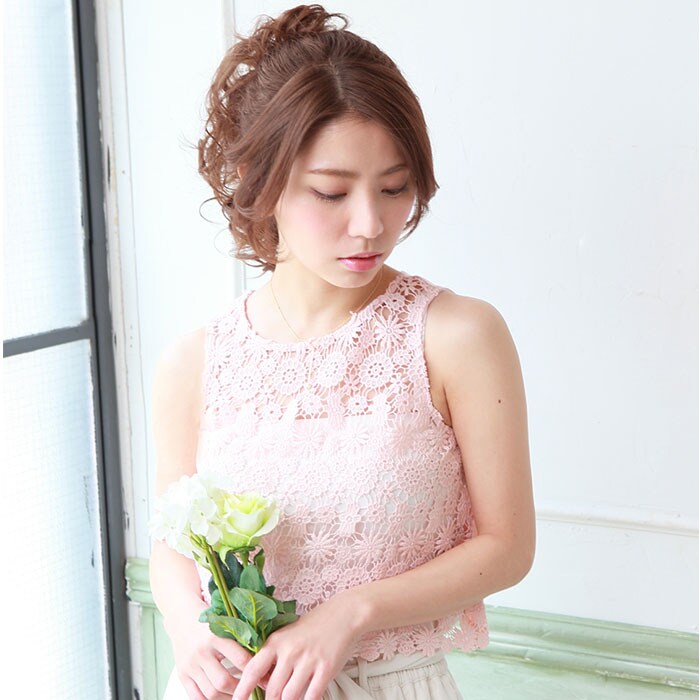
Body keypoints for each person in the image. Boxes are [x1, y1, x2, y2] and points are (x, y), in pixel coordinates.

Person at [149, 4, 536, 700]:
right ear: (260, 180)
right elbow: (172, 544)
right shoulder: (195, 360)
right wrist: (187, 630)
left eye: (394, 188)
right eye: (331, 192)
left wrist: (350, 614)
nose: (370, 224)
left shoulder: (455, 336)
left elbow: (507, 547)